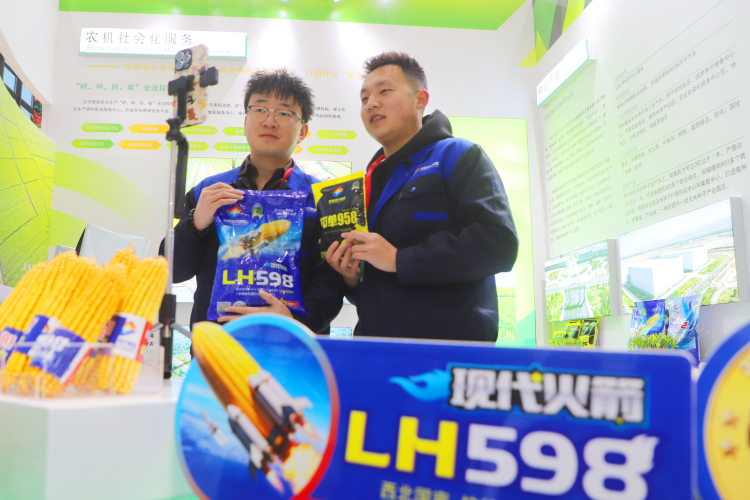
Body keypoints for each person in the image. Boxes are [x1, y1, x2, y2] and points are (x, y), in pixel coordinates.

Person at [325, 52, 518, 342]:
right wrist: (352, 278)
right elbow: (376, 282)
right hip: (375, 348)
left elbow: (498, 244)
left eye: (384, 91)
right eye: (364, 99)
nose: (371, 103)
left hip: (447, 352)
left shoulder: (459, 155)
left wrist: (399, 259)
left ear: (420, 99)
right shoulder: (368, 180)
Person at [163, 69, 343, 333]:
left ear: (303, 131)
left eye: (285, 113)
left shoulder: (322, 199)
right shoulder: (208, 191)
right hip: (216, 344)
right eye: (260, 109)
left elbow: (332, 283)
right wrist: (195, 223)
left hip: (291, 344)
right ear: (246, 121)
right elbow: (172, 271)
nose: (270, 121)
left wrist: (295, 323)